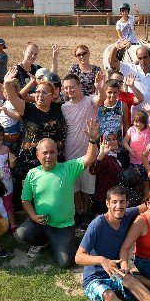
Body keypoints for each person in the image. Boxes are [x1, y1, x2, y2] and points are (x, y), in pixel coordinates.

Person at [15, 119, 99, 268]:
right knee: (21, 234)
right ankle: (44, 241)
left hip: (63, 225)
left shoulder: (68, 168)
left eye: (52, 152)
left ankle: (64, 240)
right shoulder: (32, 174)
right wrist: (33, 216)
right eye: (45, 153)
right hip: (40, 223)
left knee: (66, 263)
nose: (48, 156)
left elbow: (90, 158)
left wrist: (92, 139)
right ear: (38, 154)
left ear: (57, 153)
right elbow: (25, 200)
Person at [3, 67, 66, 177]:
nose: (40, 95)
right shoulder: (28, 109)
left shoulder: (60, 108)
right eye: (37, 92)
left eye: (44, 93)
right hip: (30, 163)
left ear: (52, 96)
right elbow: (13, 99)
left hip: (55, 162)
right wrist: (7, 83)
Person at [62, 72, 105, 228]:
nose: (69, 90)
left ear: (80, 86)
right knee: (74, 187)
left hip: (89, 150)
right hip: (70, 151)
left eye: (72, 87)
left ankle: (85, 214)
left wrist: (100, 88)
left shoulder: (89, 101)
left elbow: (100, 99)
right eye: (66, 88)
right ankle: (77, 213)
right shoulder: (63, 107)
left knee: (87, 187)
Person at [108, 41, 150, 119]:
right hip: (134, 117)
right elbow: (112, 62)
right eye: (140, 58)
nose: (143, 61)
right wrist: (115, 47)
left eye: (145, 57)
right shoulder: (130, 69)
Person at [122, 109, 150, 195]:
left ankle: (146, 201)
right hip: (134, 161)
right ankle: (136, 201)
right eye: (136, 122)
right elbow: (124, 141)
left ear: (145, 123)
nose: (138, 124)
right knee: (134, 183)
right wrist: (129, 149)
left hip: (146, 162)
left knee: (146, 183)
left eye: (141, 122)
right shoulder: (131, 129)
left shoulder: (148, 130)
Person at [89, 134, 123, 214]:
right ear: (102, 143)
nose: (113, 142)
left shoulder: (115, 156)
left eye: (114, 139)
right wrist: (101, 155)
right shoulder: (104, 157)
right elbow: (93, 170)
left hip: (114, 197)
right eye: (109, 139)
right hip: (104, 201)